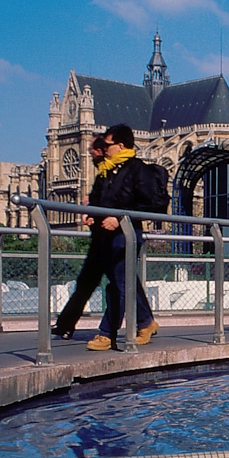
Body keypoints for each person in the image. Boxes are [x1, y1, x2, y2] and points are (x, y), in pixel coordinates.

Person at [85, 123, 161, 351]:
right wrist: (90, 214)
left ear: (120, 145)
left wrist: (120, 218)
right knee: (123, 281)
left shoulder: (138, 169)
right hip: (105, 235)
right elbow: (97, 199)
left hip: (127, 233)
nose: (103, 148)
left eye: (107, 144)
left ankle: (107, 333)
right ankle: (146, 322)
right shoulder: (107, 170)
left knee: (118, 284)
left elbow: (148, 203)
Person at [52, 134, 109, 340]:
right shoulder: (103, 173)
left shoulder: (113, 171)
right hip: (101, 237)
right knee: (87, 283)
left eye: (91, 150)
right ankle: (65, 323)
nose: (89, 154)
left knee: (124, 285)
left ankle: (145, 321)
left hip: (111, 238)